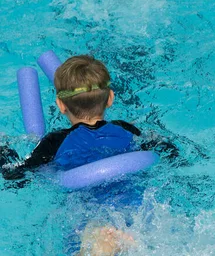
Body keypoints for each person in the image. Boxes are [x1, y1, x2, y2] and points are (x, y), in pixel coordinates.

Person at [0, 55, 177, 254]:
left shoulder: (54, 141)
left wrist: (4, 152)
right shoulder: (127, 130)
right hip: (135, 202)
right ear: (110, 98)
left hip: (87, 209)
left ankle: (101, 244)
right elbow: (167, 150)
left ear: (60, 105)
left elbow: (18, 177)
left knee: (86, 237)